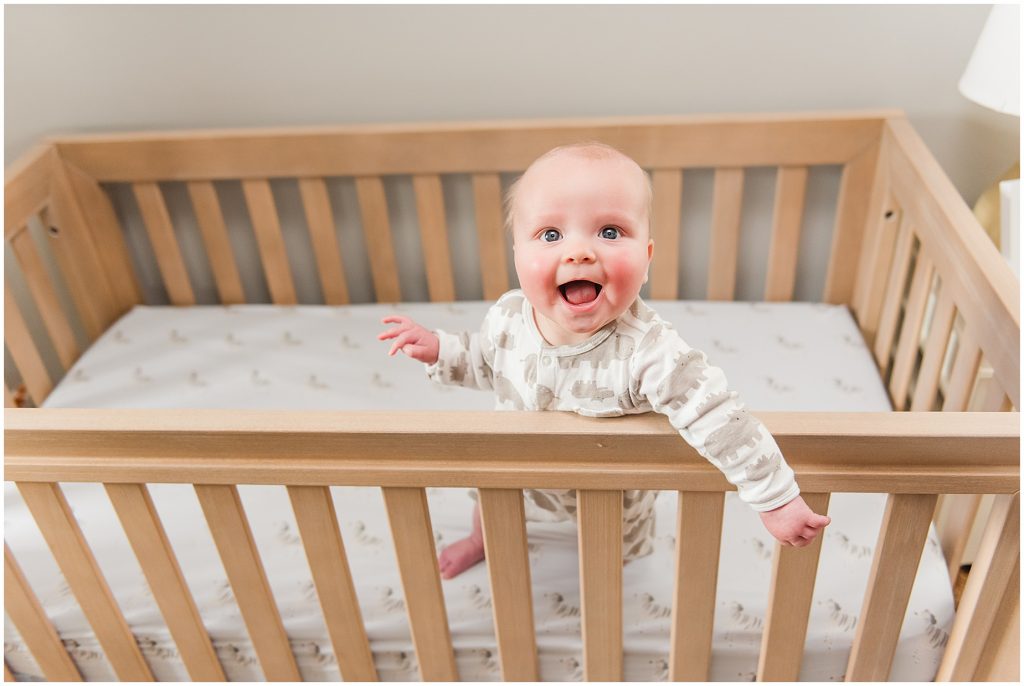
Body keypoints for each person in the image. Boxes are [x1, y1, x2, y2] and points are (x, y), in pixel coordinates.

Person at [378, 142, 830, 580]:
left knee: (617, 548)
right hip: (522, 470)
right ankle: (481, 542)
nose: (579, 252)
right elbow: (486, 360)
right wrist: (439, 348)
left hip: (613, 492)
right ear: (517, 255)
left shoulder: (651, 352)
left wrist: (776, 500)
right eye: (550, 235)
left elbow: (720, 417)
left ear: (646, 258)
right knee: (490, 503)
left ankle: (613, 571)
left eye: (610, 232)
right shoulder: (510, 317)